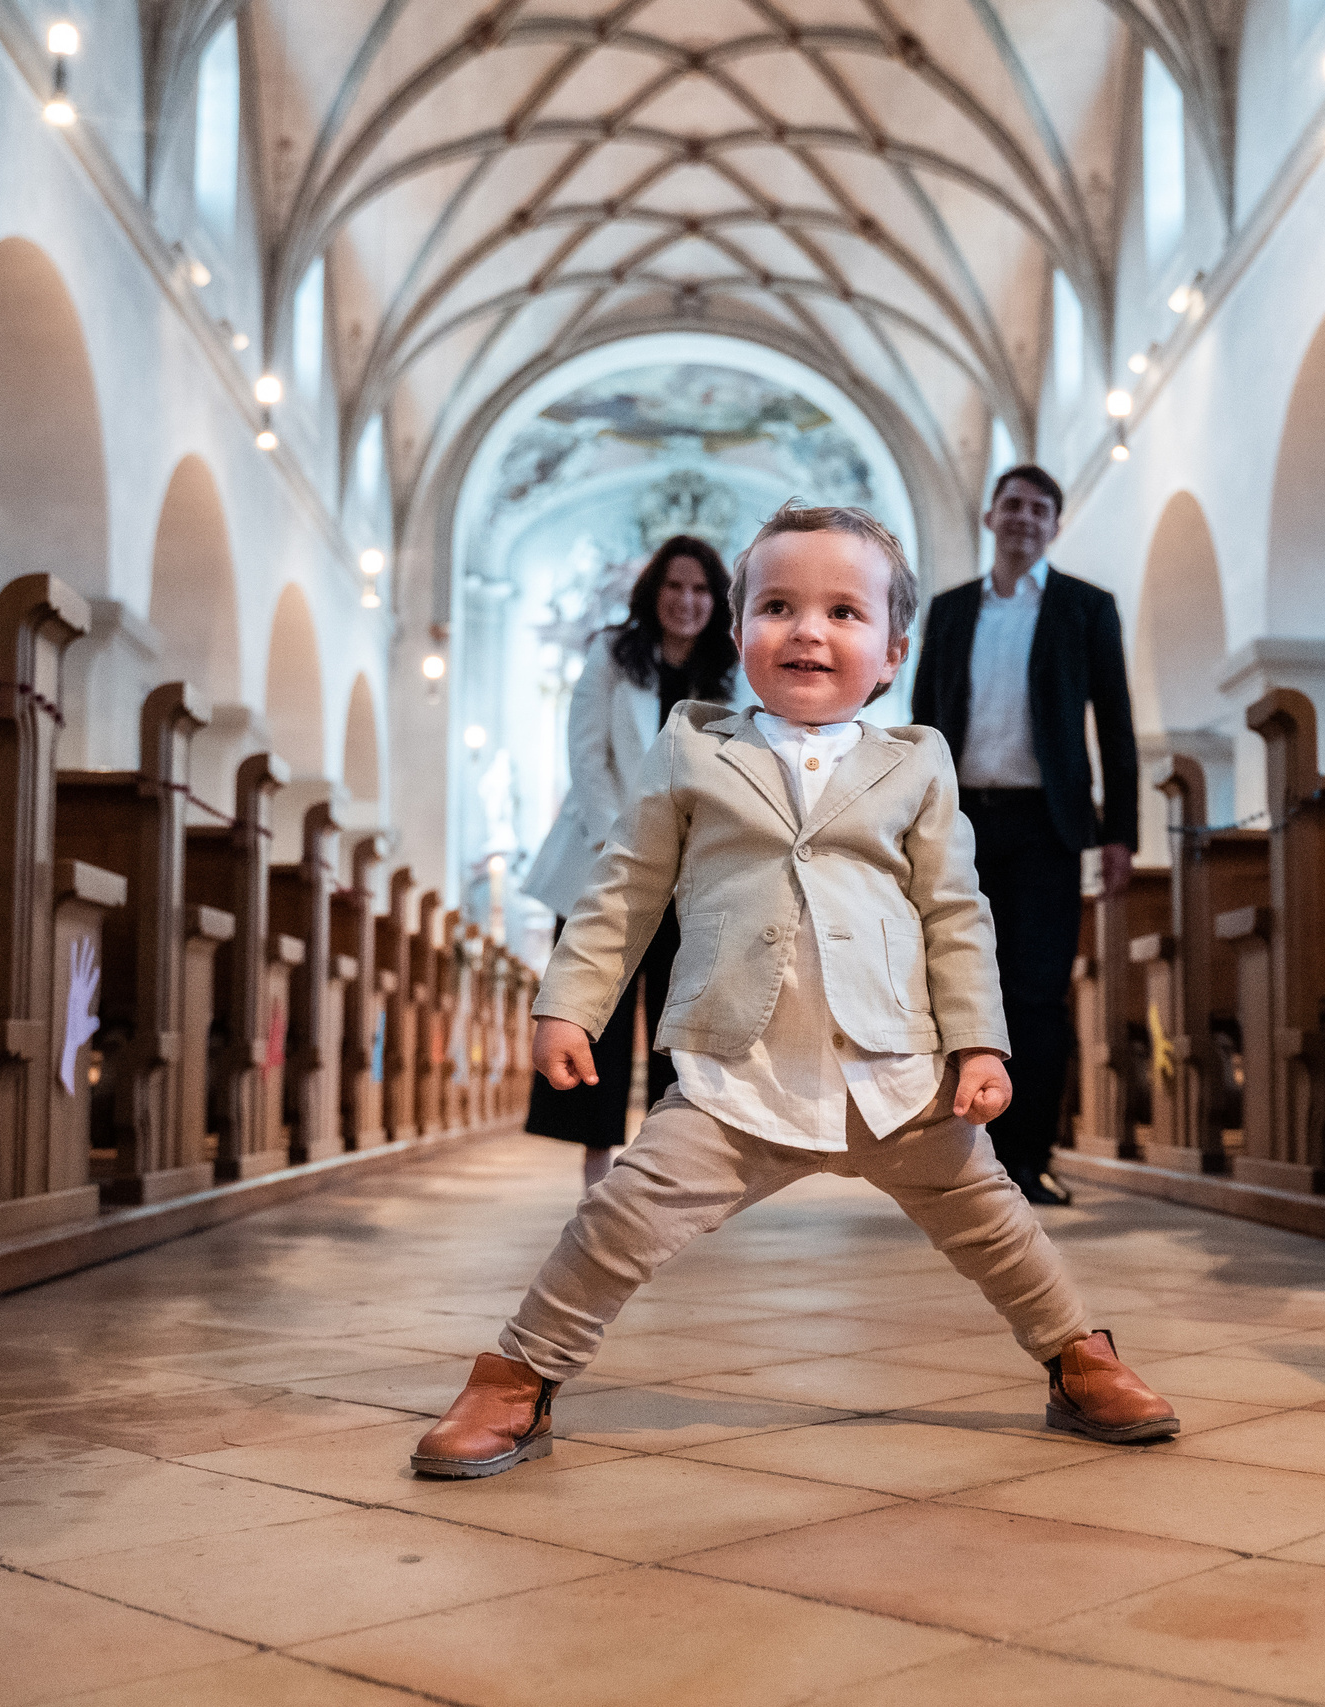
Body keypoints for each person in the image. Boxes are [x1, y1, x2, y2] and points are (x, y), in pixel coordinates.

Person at [409, 500, 1177, 1479]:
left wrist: (979, 1041)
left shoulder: (916, 762)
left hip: (895, 1073)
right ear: (738, 634)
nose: (808, 630)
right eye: (777, 606)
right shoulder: (695, 746)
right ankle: (518, 1371)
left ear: (892, 651)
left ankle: (1077, 1355)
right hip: (738, 1073)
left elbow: (955, 912)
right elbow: (626, 887)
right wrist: (570, 1004)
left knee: (996, 1222)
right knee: (617, 1219)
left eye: (843, 612)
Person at [911, 464, 1138, 1205]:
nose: (1024, 517)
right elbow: (922, 722)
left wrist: (1120, 832)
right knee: (953, 986)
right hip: (961, 822)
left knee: (1036, 995)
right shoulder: (949, 610)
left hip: (1047, 825)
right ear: (990, 516)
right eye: (1012, 504)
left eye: (1039, 508)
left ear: (1054, 526)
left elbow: (1116, 721)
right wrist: (908, 817)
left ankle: (1028, 1159)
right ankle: (953, 1159)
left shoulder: (1085, 607)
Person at [520, 537, 739, 1192]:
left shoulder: (728, 669)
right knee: (597, 1013)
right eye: (675, 586)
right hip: (605, 857)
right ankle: (596, 1162)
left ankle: (665, 1162)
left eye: (700, 589)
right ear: (653, 591)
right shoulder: (613, 652)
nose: (686, 600)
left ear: (717, 599)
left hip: (691, 870)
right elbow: (586, 753)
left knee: (680, 1018)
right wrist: (619, 843)